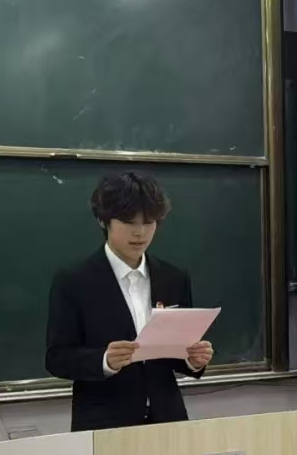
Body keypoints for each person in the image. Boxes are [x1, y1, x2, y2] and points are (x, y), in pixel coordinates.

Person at [46, 172, 213, 431]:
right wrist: (104, 360)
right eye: (128, 222)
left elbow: (173, 354)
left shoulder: (173, 277)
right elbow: (56, 358)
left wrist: (194, 360)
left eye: (149, 222)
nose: (140, 232)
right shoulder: (74, 280)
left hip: (167, 419)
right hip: (104, 423)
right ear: (103, 220)